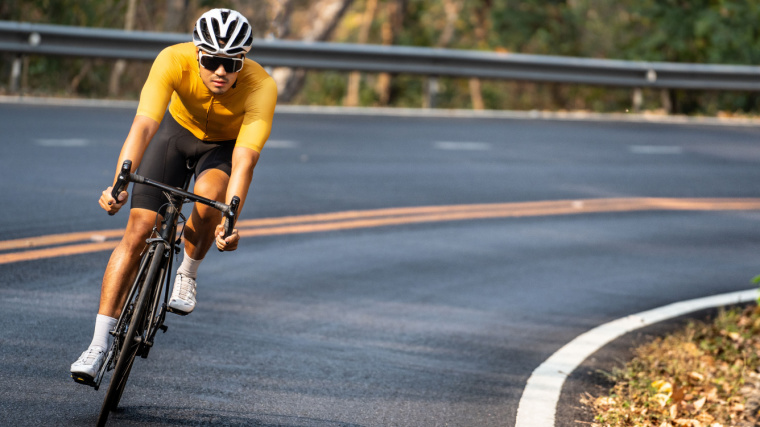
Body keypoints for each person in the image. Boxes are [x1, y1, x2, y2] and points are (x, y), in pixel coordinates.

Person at [71, 8, 277, 383]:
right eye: (212, 61)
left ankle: (188, 271)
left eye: (230, 64)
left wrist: (230, 222)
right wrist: (118, 184)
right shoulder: (172, 59)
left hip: (222, 148)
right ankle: (98, 346)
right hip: (174, 135)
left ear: (242, 62)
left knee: (209, 196)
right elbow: (145, 124)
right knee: (137, 231)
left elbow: (244, 160)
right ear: (198, 54)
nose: (220, 71)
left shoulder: (261, 86)